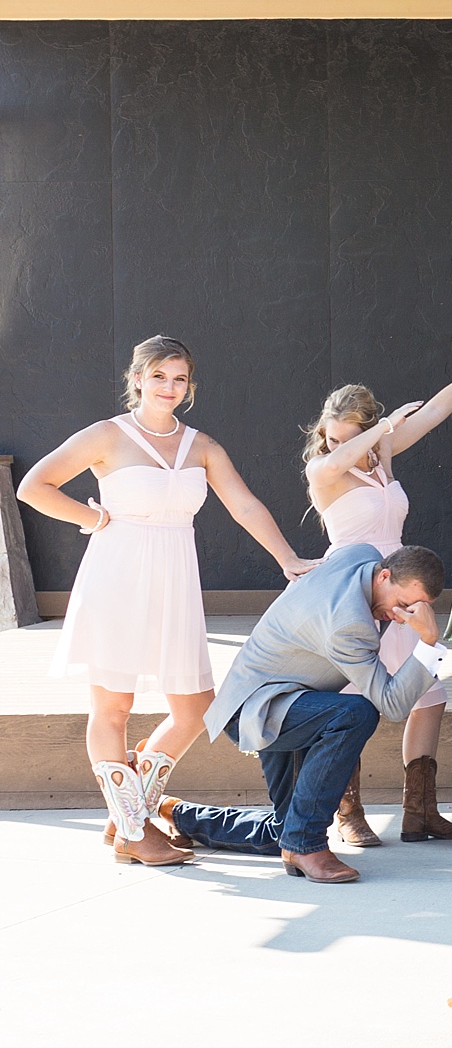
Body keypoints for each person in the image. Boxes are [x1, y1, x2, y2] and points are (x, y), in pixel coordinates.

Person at [20, 335, 318, 867]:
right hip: (116, 576)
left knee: (195, 708)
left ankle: (127, 815)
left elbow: (244, 505)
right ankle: (135, 829)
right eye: (158, 376)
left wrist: (287, 558)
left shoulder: (201, 446)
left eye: (179, 379)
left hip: (175, 582)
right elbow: (34, 486)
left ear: (190, 386)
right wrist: (91, 518)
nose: (169, 387)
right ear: (136, 378)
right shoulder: (106, 436)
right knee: (113, 706)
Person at [302, 325, 452, 846]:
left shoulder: (382, 456)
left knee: (429, 693)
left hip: (400, 589)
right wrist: (379, 431)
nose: (339, 445)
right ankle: (346, 811)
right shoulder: (323, 468)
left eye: (351, 435)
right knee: (352, 698)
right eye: (332, 436)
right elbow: (341, 459)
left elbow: (436, 411)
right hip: (352, 593)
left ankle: (419, 812)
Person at [164, 545, 451, 884]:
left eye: (416, 610)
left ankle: (178, 814)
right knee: (356, 712)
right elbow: (392, 704)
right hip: (257, 709)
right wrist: (429, 642)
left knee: (282, 831)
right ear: (384, 575)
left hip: (290, 699)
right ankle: (306, 845)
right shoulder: (348, 623)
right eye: (403, 605)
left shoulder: (360, 555)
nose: (404, 617)